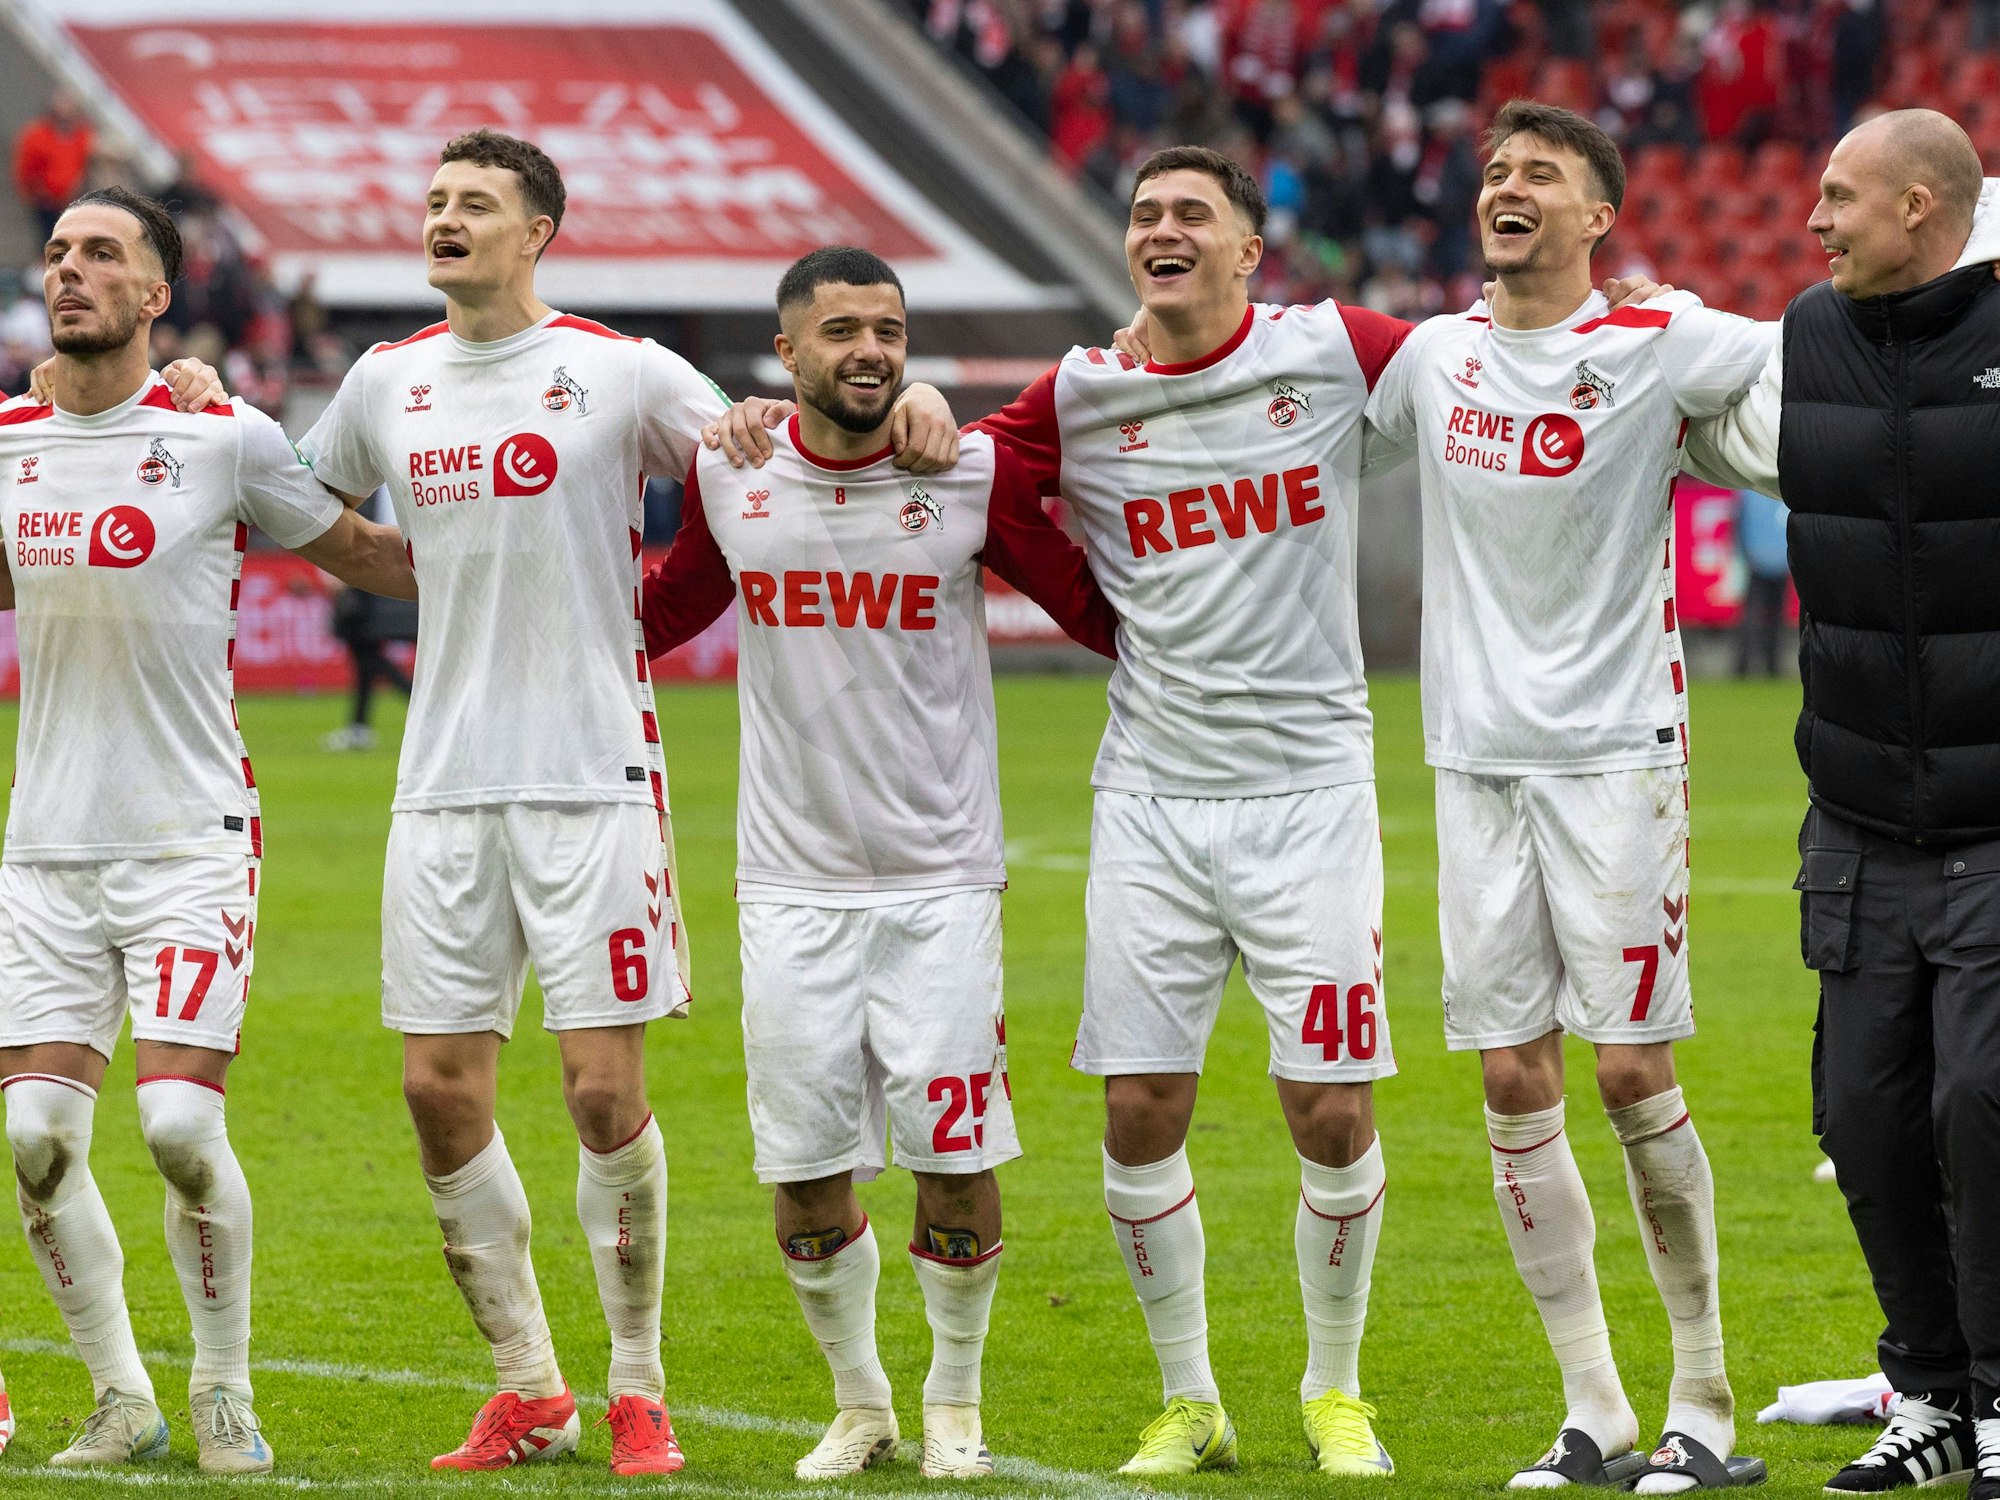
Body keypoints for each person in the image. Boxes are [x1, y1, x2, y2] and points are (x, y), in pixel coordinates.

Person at [709, 144, 1416, 1481]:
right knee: (1138, 1111)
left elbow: (1479, 368)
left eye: (1191, 213)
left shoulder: (1331, 349)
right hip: (1148, 793)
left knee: (1330, 1111)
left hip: (1310, 792)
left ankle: (1335, 1390)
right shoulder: (1082, 391)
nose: (1161, 229)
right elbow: (954, 452)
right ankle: (1189, 1400)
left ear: (1248, 249)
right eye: (1144, 213)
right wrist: (918, 393)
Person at [639, 246, 1118, 1481]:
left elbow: (1091, 609)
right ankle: (859, 1403)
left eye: (888, 332)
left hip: (938, 883)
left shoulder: (963, 471)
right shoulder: (729, 473)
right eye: (841, 330)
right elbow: (656, 614)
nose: (869, 351)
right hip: (786, 887)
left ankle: (953, 1398)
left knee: (954, 1158)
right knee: (804, 1175)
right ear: (785, 353)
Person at [1364, 100, 1773, 1494]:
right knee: (1508, 1077)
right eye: (1496, 170)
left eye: (1540, 173)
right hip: (1473, 759)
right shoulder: (1433, 358)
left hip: (1615, 753)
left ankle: (1703, 1397)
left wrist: (1694, 319)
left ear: (1597, 217)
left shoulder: (1658, 340)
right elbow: (1297, 413)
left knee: (1629, 1070)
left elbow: (1805, 363)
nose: (1508, 186)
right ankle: (1590, 1407)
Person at [0, 186, 413, 1473]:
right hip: (45, 848)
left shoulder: (223, 436)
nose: (69, 270)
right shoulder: (8, 440)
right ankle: (121, 1398)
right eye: (56, 252)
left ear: (158, 294)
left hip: (189, 837)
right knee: (35, 1137)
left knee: (180, 1130)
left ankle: (226, 1389)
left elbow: (364, 552)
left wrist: (535, 569)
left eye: (101, 253)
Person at [1686, 109, 2000, 1499]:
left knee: (1980, 1107)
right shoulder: (1802, 340)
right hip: (1858, 819)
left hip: (1995, 821)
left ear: (1919, 208)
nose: (1811, 221)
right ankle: (1928, 1394)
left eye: (1838, 196)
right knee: (1861, 1125)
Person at [323, 488, 416, 751]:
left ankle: (418, 700)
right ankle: (359, 727)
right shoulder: (380, 489)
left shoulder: (374, 490)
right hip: (377, 580)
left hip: (383, 581)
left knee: (366, 655)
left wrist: (340, 572)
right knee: (365, 656)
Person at [12, 92, 93, 243]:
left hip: (74, 200)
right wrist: (40, 193)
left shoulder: (82, 136)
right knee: (51, 239)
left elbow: (86, 162)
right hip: (46, 201)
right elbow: (27, 169)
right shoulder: (36, 136)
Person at [1732, 490, 1788, 678]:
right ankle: (1772, 666)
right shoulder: (1784, 492)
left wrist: (1743, 553)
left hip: (1757, 560)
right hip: (1780, 562)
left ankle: (1744, 666)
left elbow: (1739, 525)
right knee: (1775, 619)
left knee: (1752, 617)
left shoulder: (1749, 493)